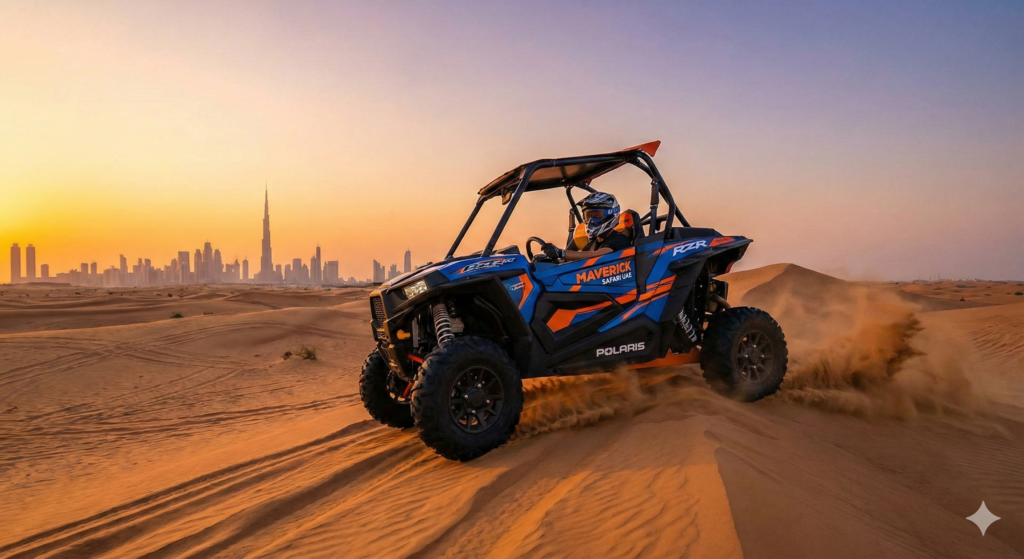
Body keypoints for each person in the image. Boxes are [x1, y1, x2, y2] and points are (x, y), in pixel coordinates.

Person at [541, 192, 632, 262]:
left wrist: (561, 253)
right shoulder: (593, 243)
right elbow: (578, 258)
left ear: (611, 215)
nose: (591, 221)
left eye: (596, 216)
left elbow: (598, 256)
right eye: (588, 216)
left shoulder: (619, 240)